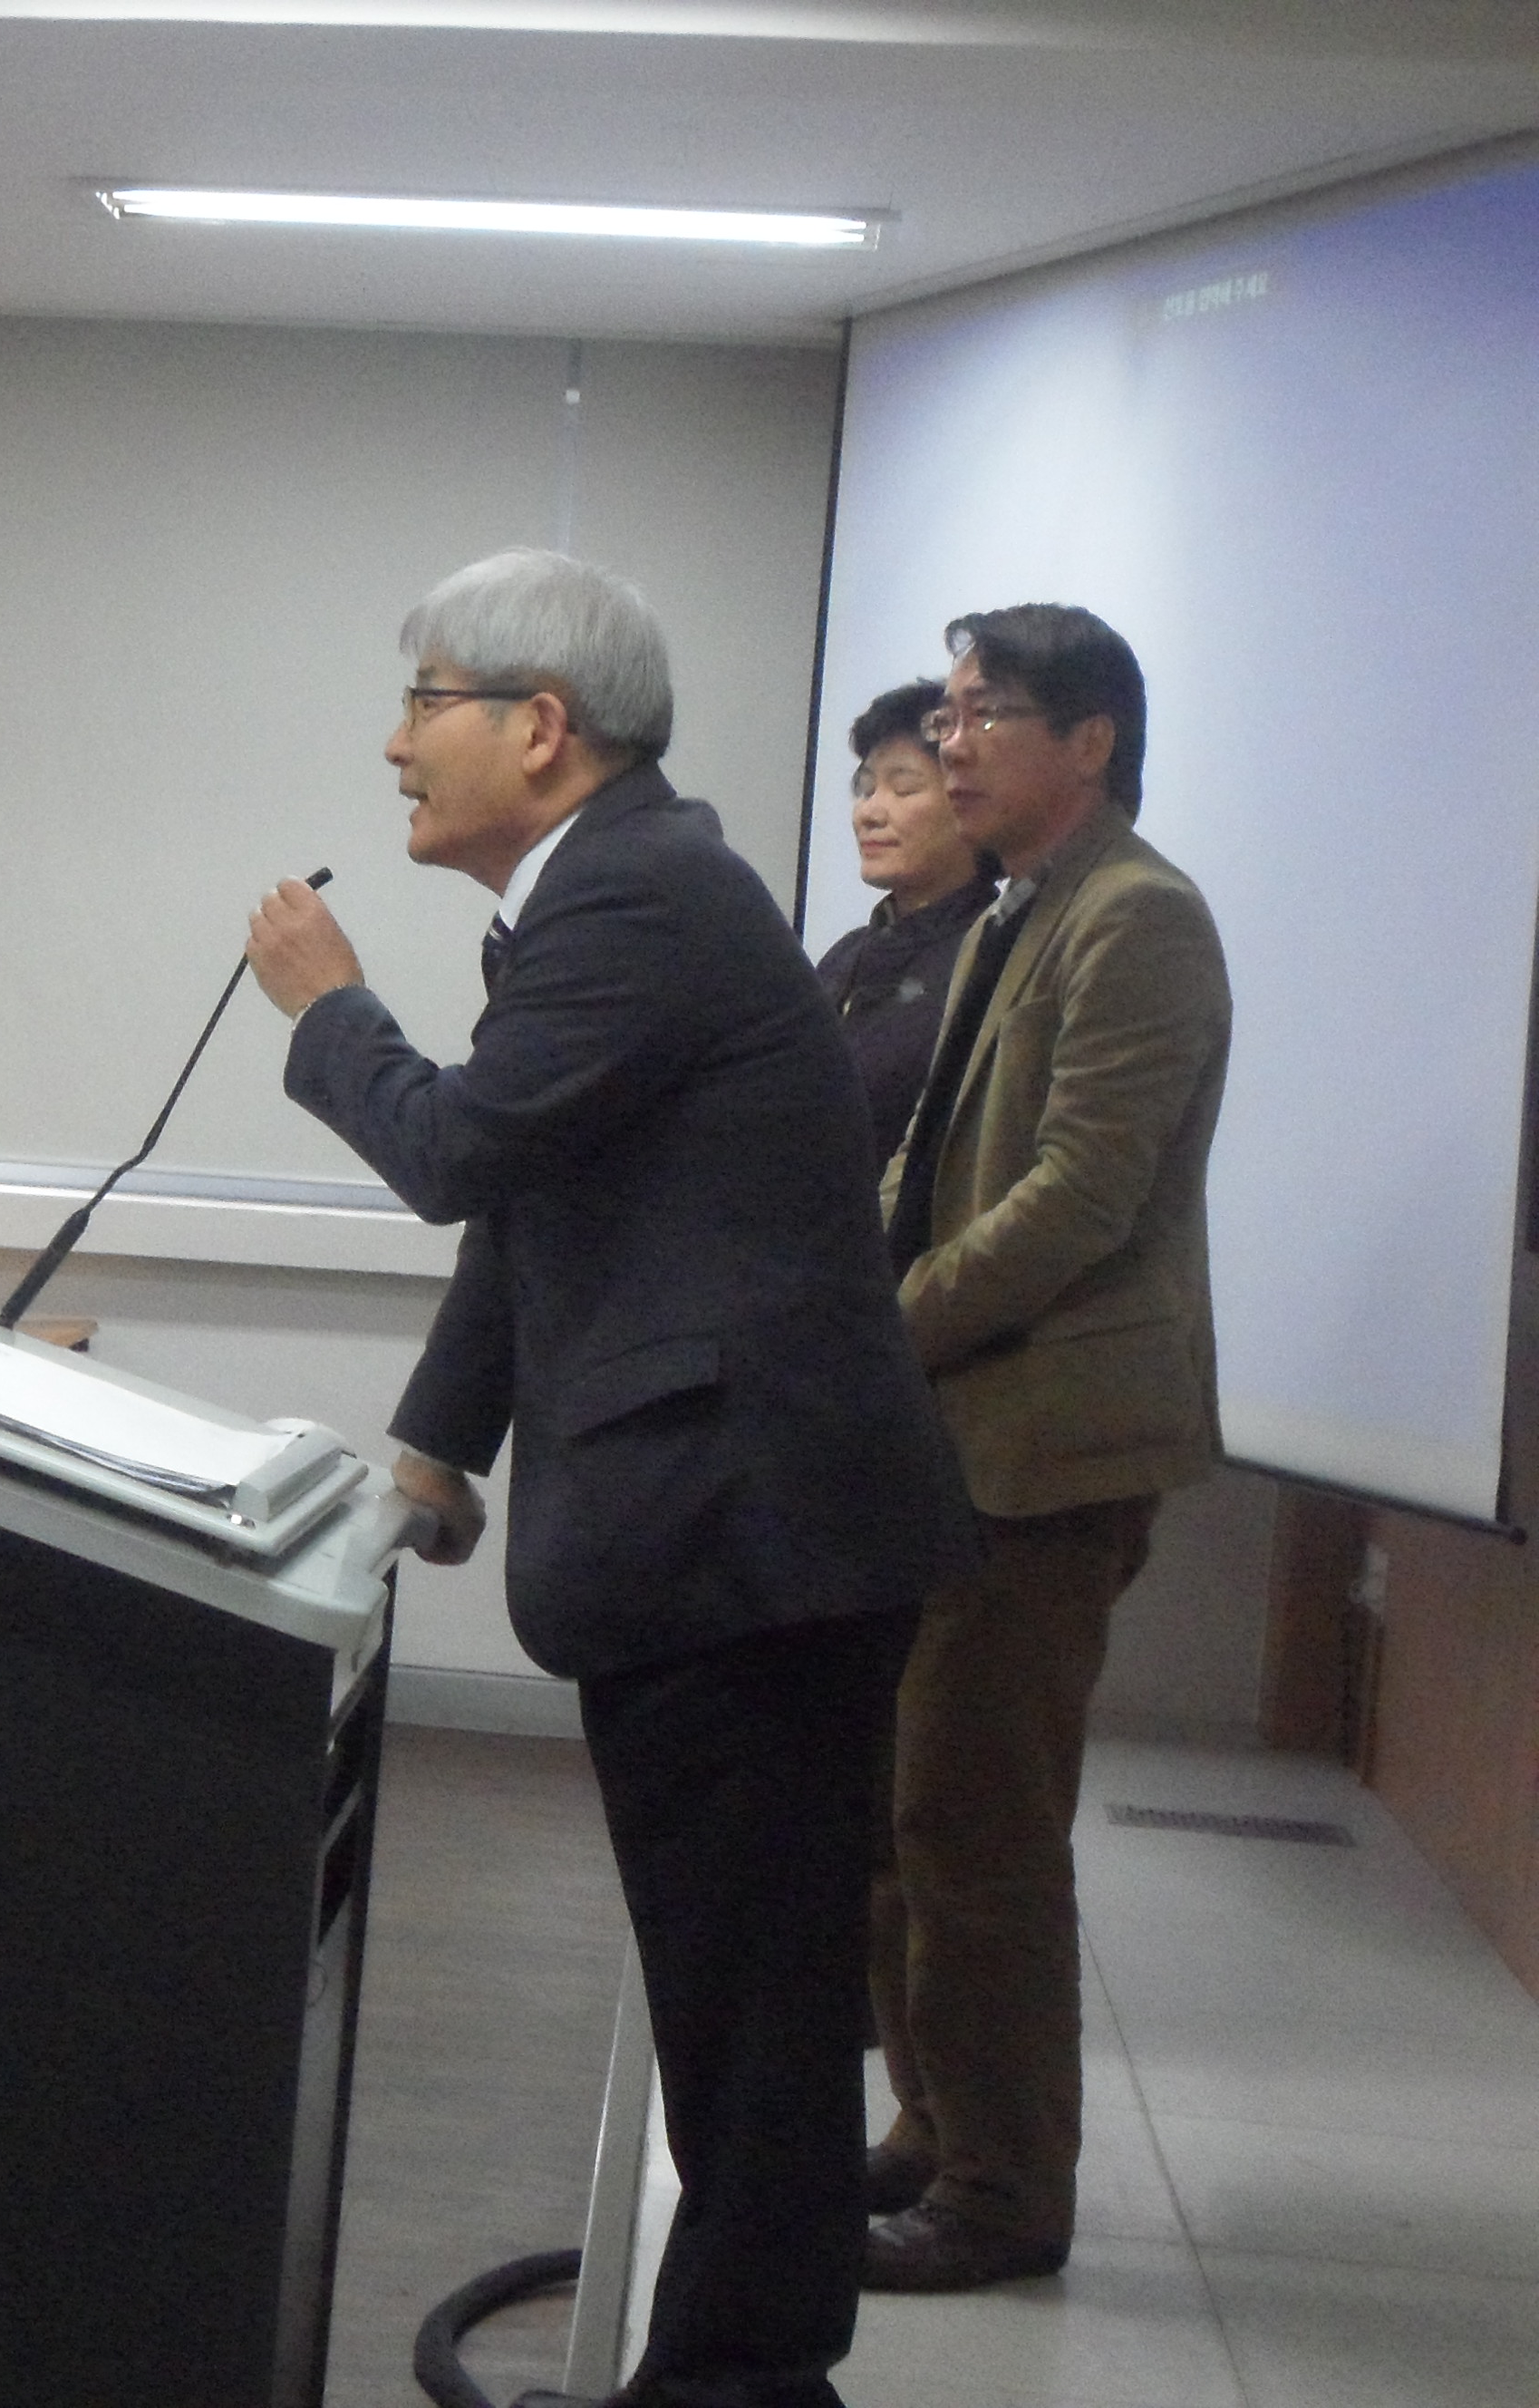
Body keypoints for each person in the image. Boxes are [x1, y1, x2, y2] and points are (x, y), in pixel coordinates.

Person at [243, 549, 972, 2408]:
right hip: (741, 1541)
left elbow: (460, 1151)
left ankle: (739, 2380)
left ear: (539, 727)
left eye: (423, 701)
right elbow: (543, 1197)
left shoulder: (634, 895)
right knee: (740, 2001)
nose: (393, 744)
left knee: (756, 2019)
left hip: (752, 1545)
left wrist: (326, 1008)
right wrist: (436, 1441)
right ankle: (734, 2364)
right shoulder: (618, 886)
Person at [861, 607, 1229, 2292]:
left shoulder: (1137, 915)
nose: (948, 743)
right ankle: (931, 2127)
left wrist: (889, 1322)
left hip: (1049, 1447)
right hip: (952, 1432)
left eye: (982, 713)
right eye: (944, 713)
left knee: (977, 1826)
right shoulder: (1015, 907)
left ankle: (1003, 2195)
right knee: (903, 1809)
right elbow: (933, 1160)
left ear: (1090, 741)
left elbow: (1079, 1195)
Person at [813, 679, 998, 1170]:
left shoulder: (992, 956)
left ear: (968, 800)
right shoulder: (846, 954)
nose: (869, 812)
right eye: (865, 789)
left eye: (904, 788)